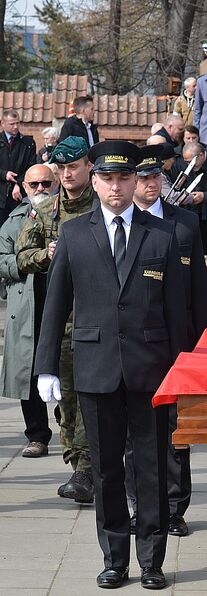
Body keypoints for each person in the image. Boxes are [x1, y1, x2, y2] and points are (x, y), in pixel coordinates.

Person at [34, 140, 188, 590]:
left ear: (137, 181)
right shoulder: (76, 234)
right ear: (95, 182)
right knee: (105, 469)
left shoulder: (161, 234)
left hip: (151, 366)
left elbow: (176, 311)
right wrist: (46, 366)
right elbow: (56, 304)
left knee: (152, 465)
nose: (117, 187)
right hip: (96, 366)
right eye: (108, 178)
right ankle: (115, 558)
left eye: (125, 178)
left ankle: (152, 558)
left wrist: (183, 371)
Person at [123, 144, 207, 539]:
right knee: (134, 432)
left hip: (178, 342)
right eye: (143, 178)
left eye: (156, 176)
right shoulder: (122, 224)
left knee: (178, 430)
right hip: (137, 342)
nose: (151, 184)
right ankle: (138, 503)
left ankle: (175, 508)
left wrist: (200, 341)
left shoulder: (185, 223)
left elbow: (198, 288)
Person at [16, 136, 97, 502]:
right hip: (61, 319)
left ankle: (87, 470)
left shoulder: (102, 207)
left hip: (98, 317)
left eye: (73, 167)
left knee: (94, 396)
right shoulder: (45, 210)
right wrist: (46, 255)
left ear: (88, 167)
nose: (66, 174)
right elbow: (21, 255)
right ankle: (79, 463)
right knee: (68, 400)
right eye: (61, 168)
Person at [0, 164, 57, 458]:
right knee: (28, 371)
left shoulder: (69, 213)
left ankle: (71, 427)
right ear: (23, 186)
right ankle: (36, 435)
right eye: (34, 184)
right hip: (27, 305)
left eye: (46, 183)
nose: (40, 190)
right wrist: (25, 262)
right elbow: (2, 260)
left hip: (65, 305)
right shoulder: (14, 220)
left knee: (68, 366)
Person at [1, 109, 37, 224]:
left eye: (17, 123)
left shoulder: (28, 143)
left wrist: (18, 183)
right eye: (12, 124)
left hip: (20, 195)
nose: (16, 127)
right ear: (3, 124)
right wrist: (4, 174)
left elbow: (31, 167)